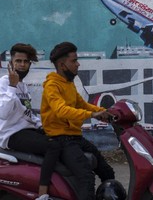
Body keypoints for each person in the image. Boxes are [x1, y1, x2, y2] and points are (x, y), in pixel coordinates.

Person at [40, 41, 115, 200]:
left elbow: (82, 104)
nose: (78, 64)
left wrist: (103, 112)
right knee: (86, 176)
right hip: (61, 140)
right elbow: (61, 110)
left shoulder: (69, 84)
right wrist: (91, 115)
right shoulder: (52, 86)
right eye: (74, 61)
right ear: (62, 65)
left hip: (75, 137)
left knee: (107, 171)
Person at [0, 43, 57, 200]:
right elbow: (3, 114)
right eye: (18, 61)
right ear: (10, 63)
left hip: (26, 131)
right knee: (52, 146)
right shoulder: (4, 83)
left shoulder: (23, 87)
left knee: (62, 139)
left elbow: (28, 114)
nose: (22, 65)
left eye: (26, 62)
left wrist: (42, 125)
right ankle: (43, 194)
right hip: (11, 135)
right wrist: (12, 86)